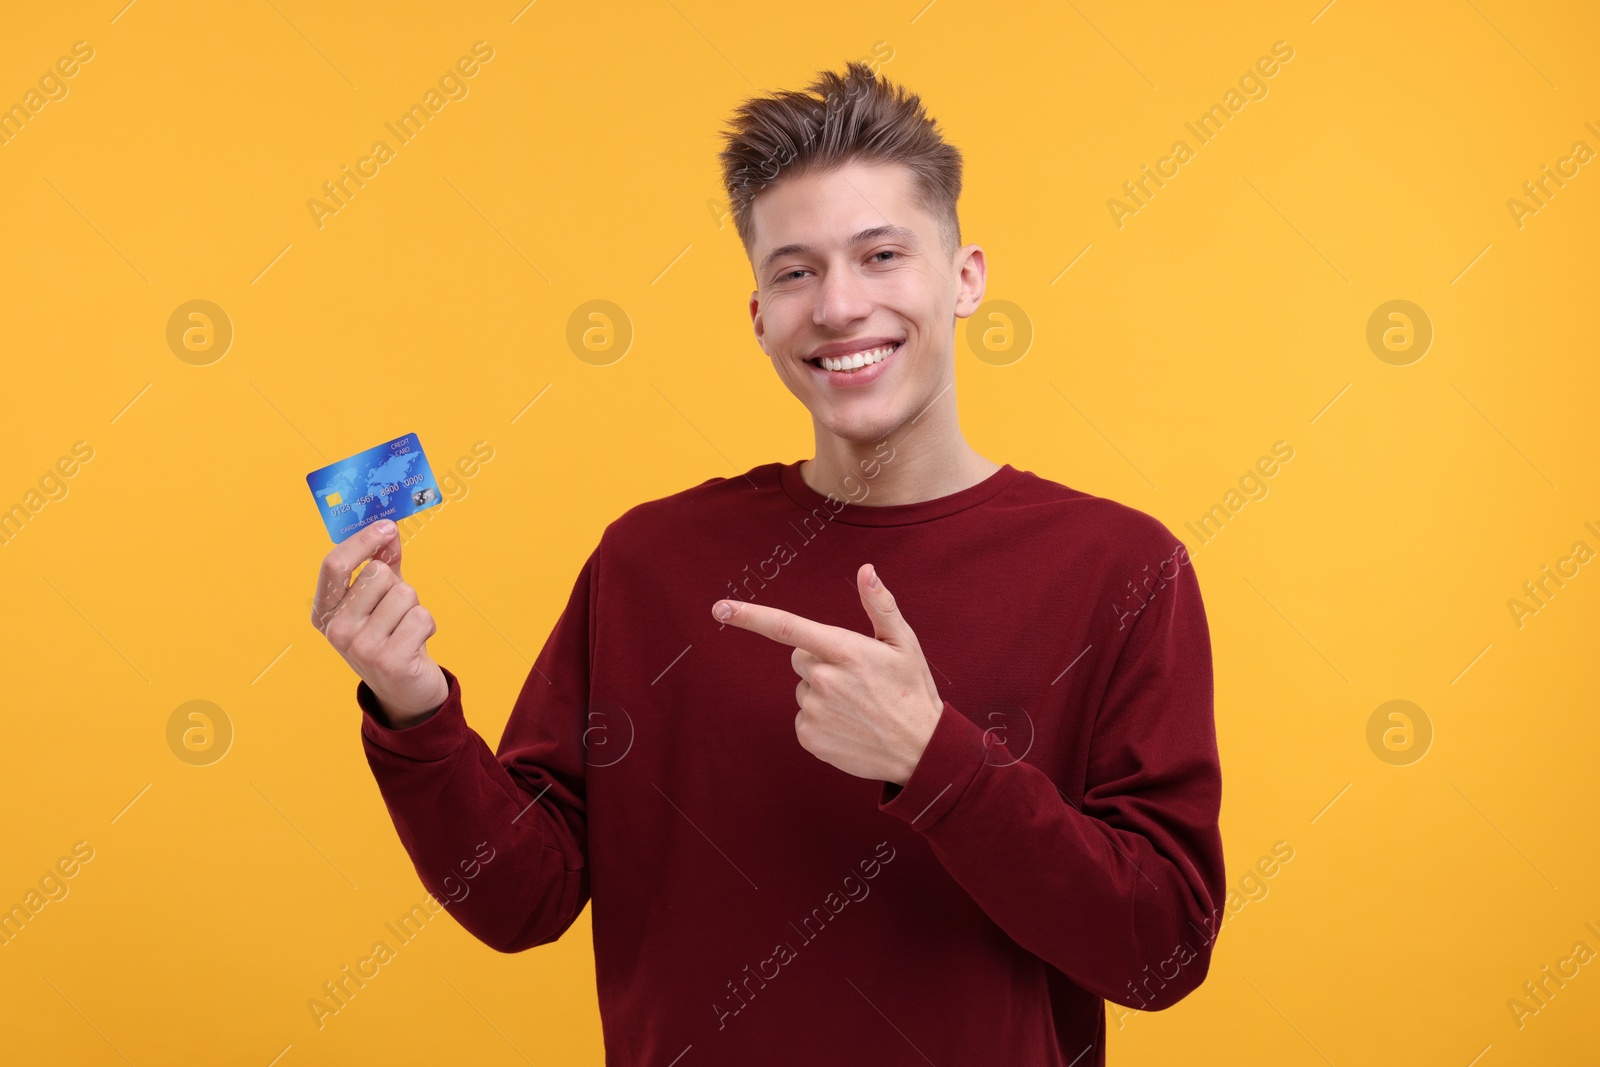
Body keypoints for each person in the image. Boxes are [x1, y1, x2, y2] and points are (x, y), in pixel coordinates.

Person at [312, 60, 1224, 1066]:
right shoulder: (649, 559)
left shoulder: (1121, 566)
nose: (837, 306)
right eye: (794, 271)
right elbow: (518, 896)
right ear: (757, 315)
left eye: (881, 255)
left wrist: (937, 757)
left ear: (964, 278)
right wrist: (414, 711)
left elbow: (1160, 951)